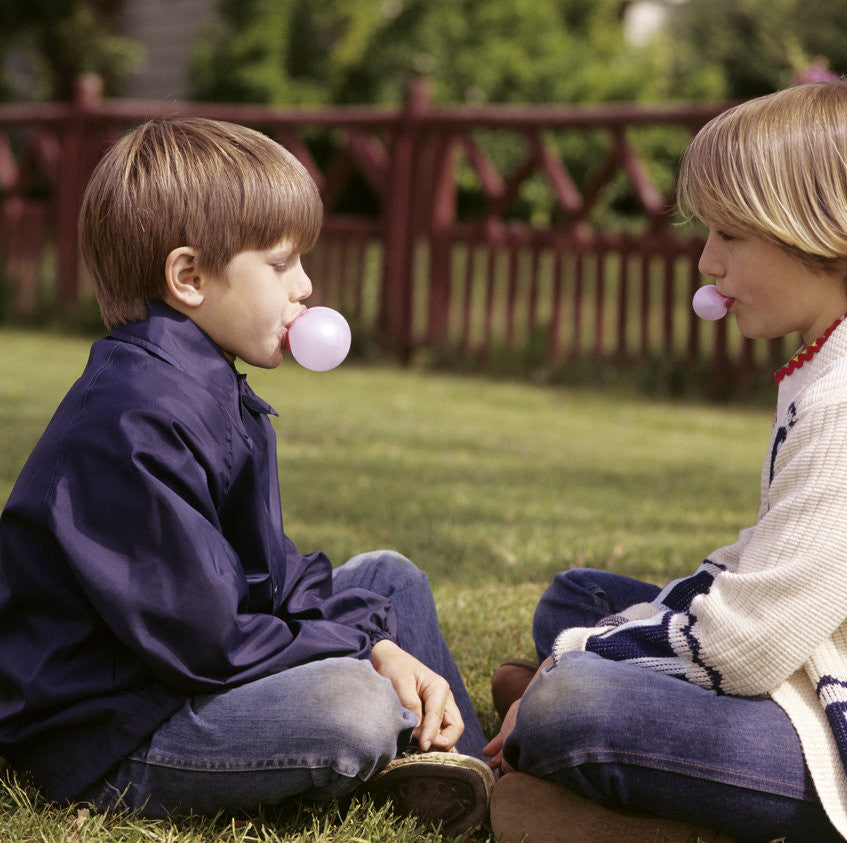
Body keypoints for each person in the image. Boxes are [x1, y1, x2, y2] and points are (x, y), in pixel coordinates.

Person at [484, 79, 847, 843]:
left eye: (731, 236)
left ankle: (610, 778)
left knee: (575, 708)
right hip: (839, 665)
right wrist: (585, 644)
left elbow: (743, 648)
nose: (707, 263)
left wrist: (569, 673)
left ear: (826, 232)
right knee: (577, 599)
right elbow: (764, 565)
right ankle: (589, 741)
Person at [0, 117, 491, 836]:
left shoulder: (205, 384)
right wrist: (367, 649)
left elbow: (264, 575)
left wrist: (372, 632)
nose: (307, 285)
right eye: (283, 262)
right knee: (353, 705)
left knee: (391, 578)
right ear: (190, 277)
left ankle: (471, 784)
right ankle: (405, 756)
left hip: (177, 671)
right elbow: (212, 640)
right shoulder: (133, 419)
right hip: (114, 727)